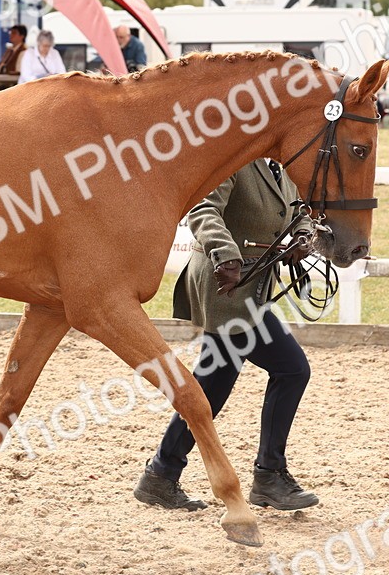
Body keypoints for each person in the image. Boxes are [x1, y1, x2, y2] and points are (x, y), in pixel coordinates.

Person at [134, 160, 320, 512]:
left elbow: (297, 208)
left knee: (213, 382)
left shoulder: (283, 162)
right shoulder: (236, 157)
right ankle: (268, 476)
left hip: (254, 286)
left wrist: (302, 235)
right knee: (292, 368)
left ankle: (161, 473)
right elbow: (203, 208)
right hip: (226, 285)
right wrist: (226, 254)